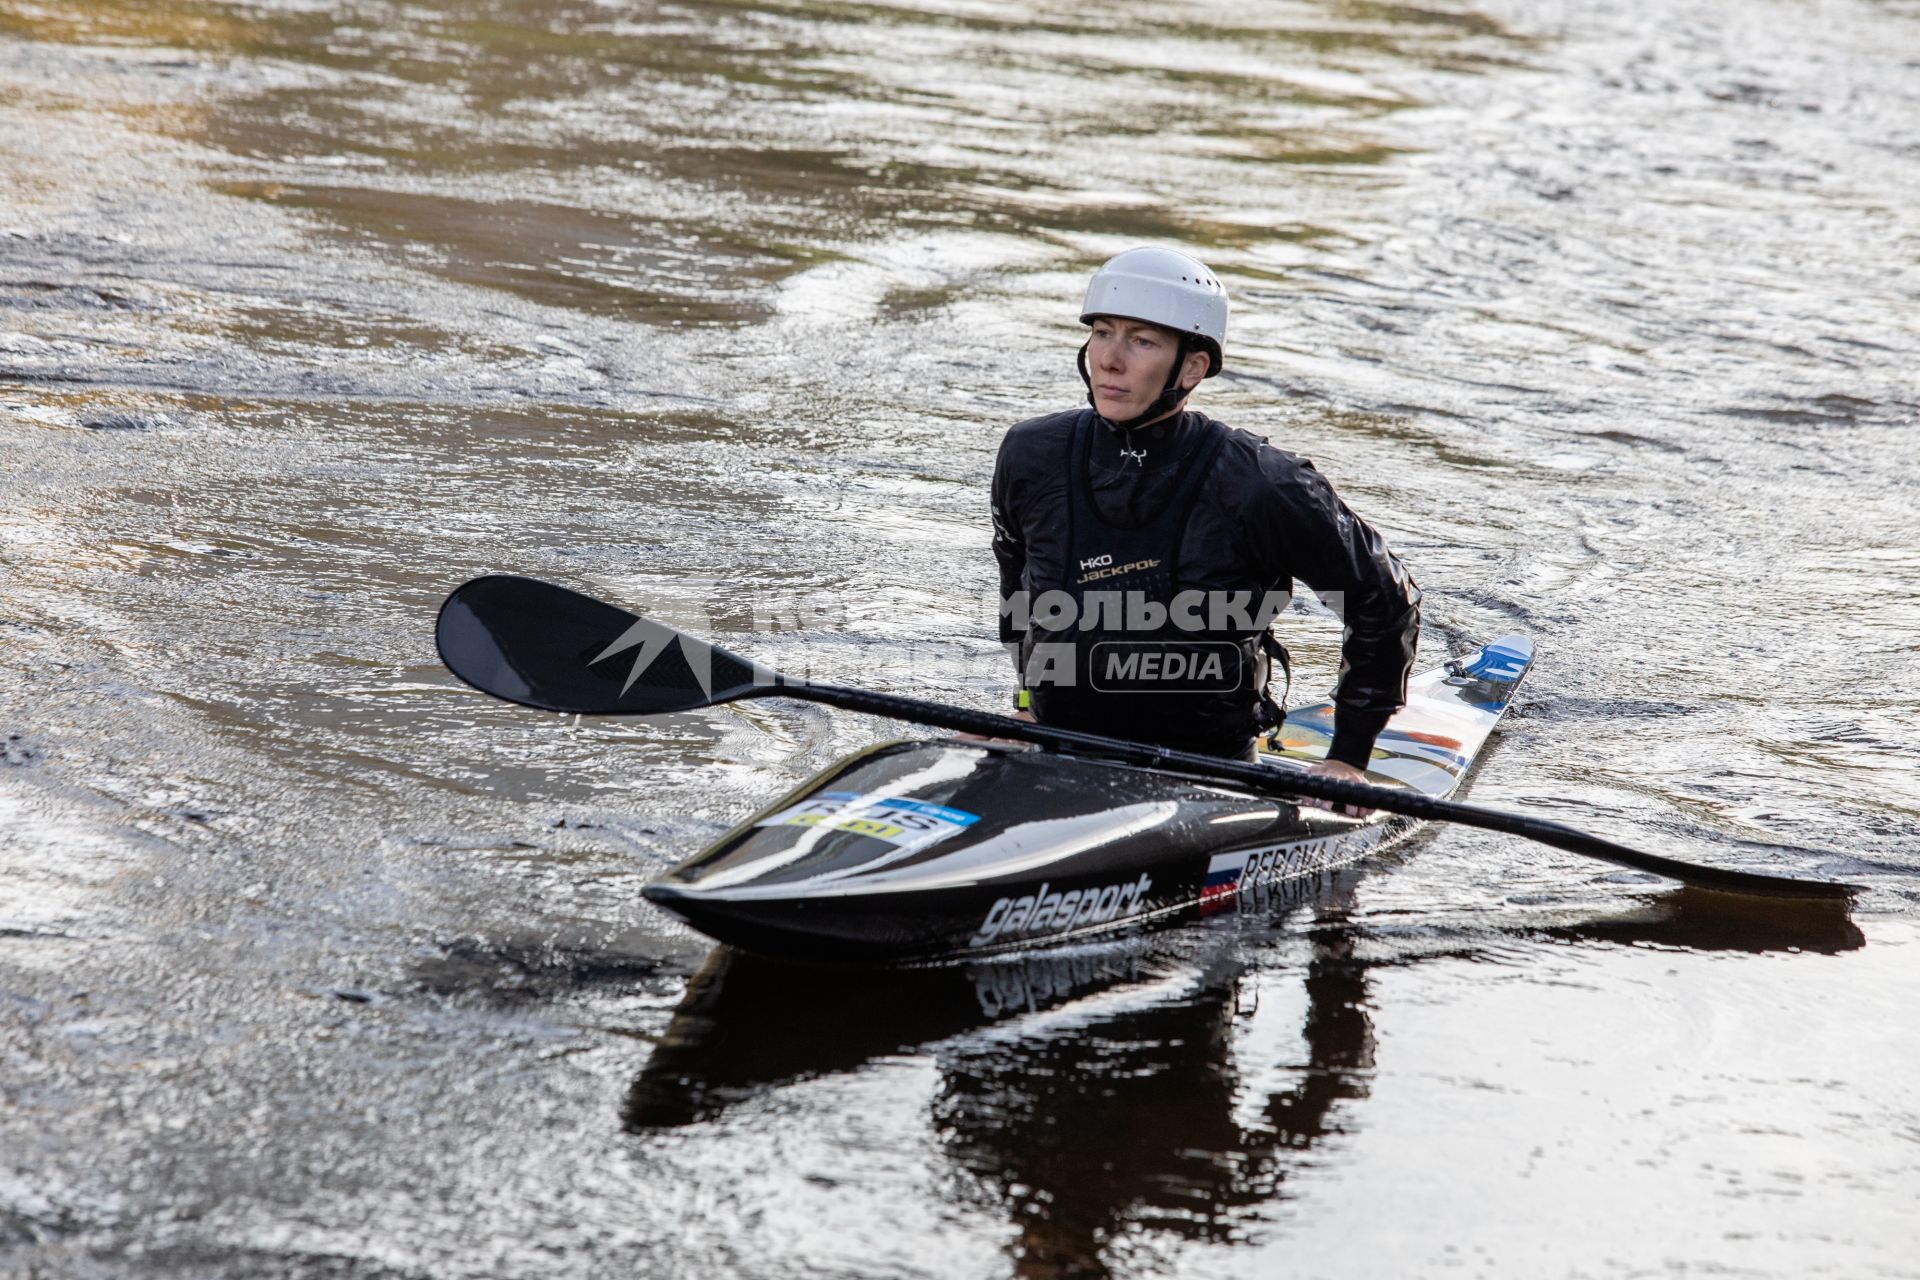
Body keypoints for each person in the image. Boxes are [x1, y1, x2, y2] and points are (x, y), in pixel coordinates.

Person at [990, 246, 1420, 798]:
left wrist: (1347, 759)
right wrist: (1025, 710)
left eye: (1141, 340)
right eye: (1101, 331)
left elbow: (1383, 600)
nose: (1110, 359)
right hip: (1057, 751)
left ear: (1192, 367)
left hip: (1209, 775)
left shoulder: (1261, 483)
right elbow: (1021, 591)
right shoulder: (1032, 454)